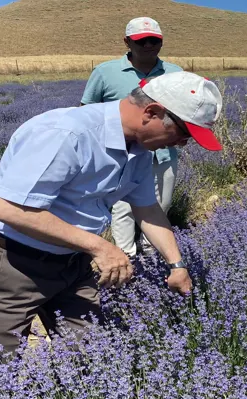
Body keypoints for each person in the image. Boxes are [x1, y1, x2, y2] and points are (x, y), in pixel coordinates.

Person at [0, 71, 223, 366]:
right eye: (183, 135)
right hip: (8, 261)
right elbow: (7, 209)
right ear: (152, 112)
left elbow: (147, 208)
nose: (182, 145)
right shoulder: (66, 133)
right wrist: (100, 247)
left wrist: (177, 265)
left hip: (71, 262)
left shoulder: (139, 150)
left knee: (90, 359)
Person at [81, 17, 183, 257]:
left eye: (154, 40)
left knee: (159, 206)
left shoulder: (175, 73)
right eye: (141, 41)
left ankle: (152, 255)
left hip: (163, 154)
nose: (148, 45)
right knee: (123, 207)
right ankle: (125, 257)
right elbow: (86, 111)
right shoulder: (106, 72)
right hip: (120, 155)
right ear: (127, 42)